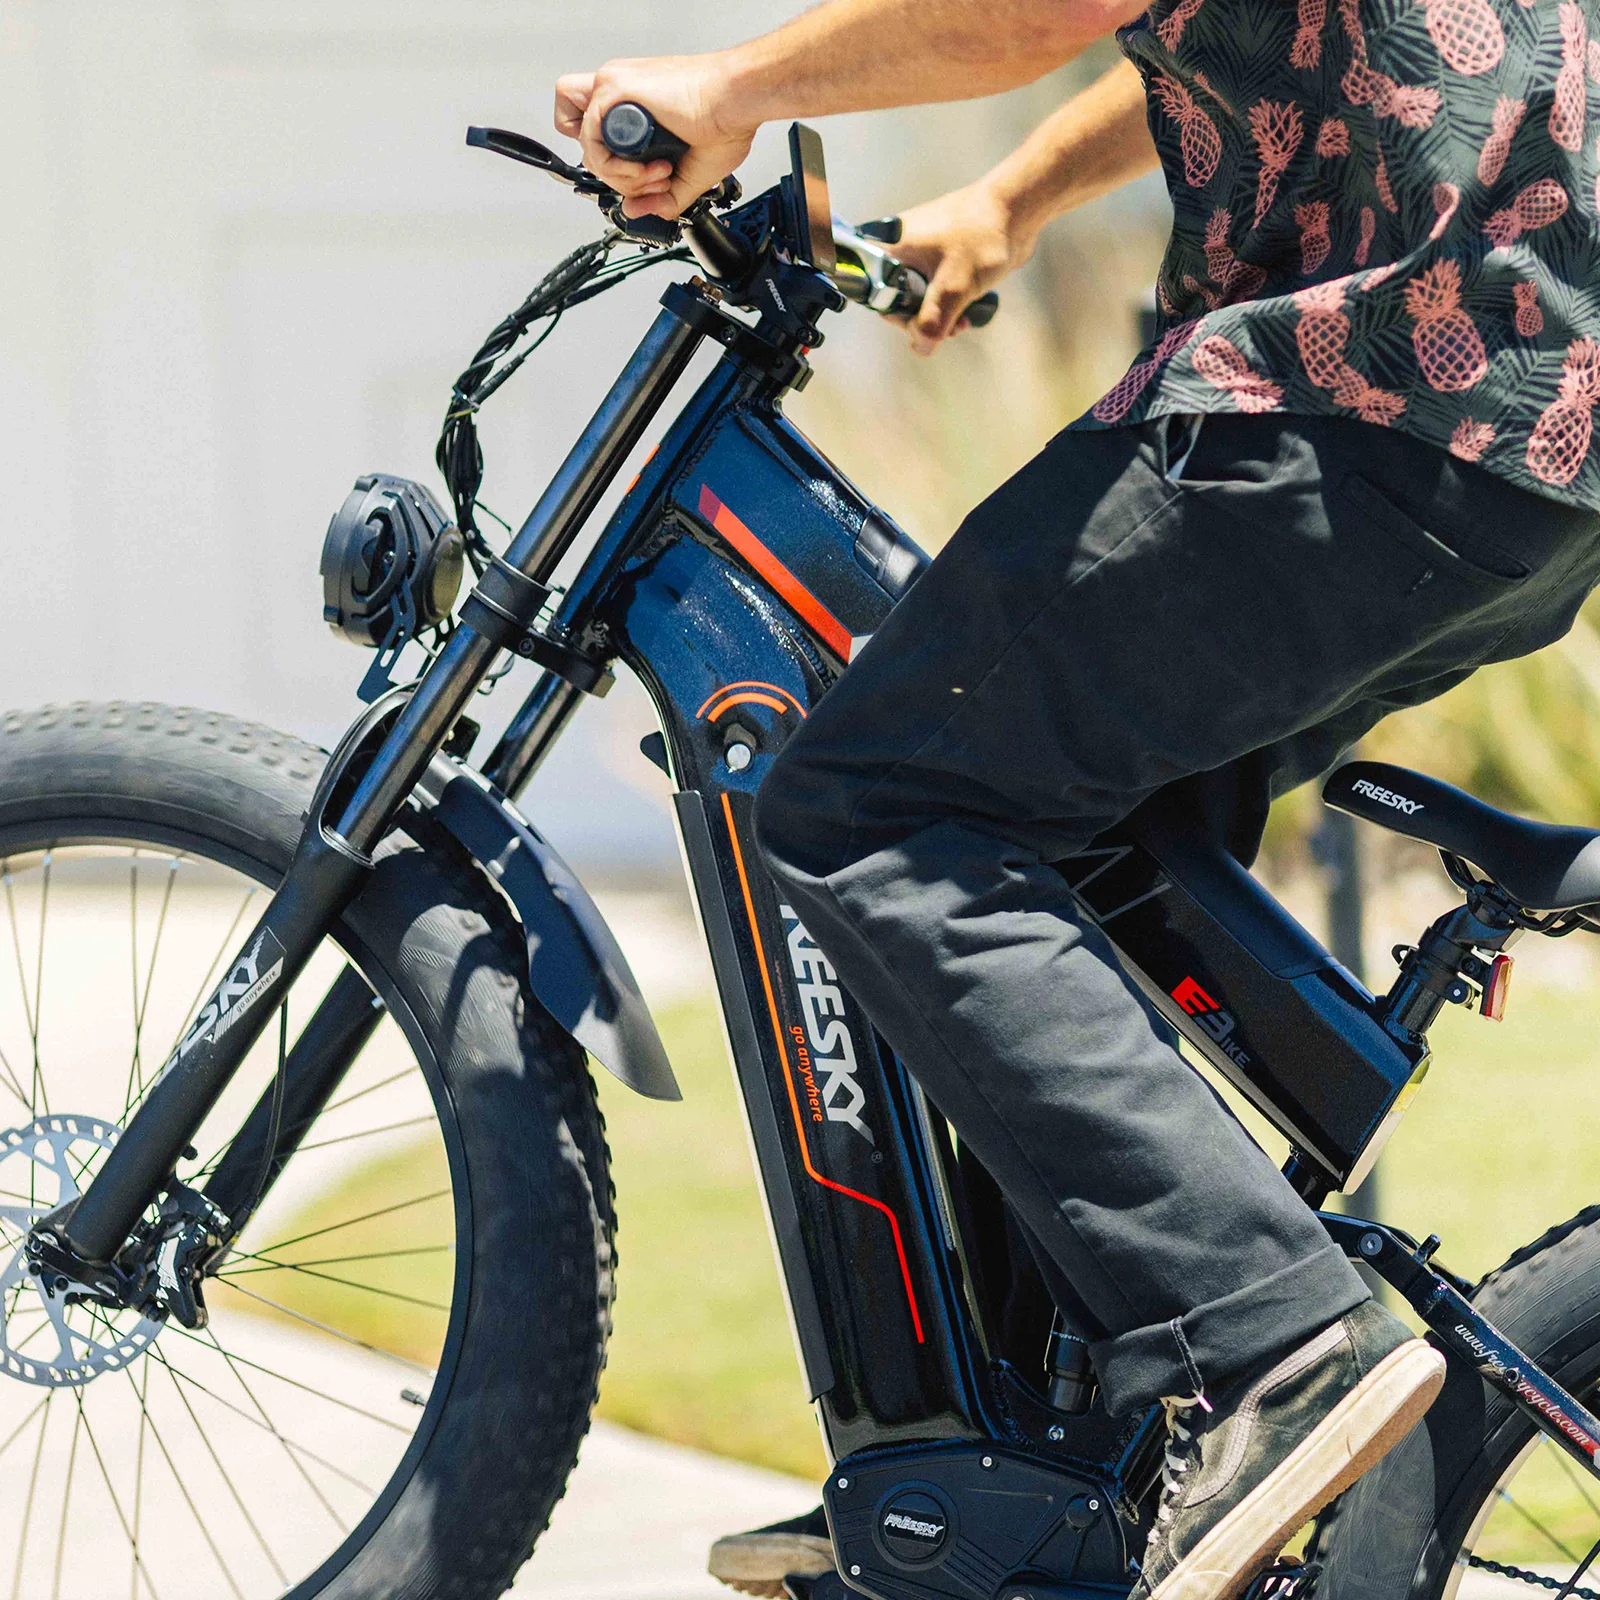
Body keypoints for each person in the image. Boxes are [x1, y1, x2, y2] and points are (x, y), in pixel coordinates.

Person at [557, 0, 1600, 1594]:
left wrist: (729, 86)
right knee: (1088, 838)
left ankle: (1273, 1339)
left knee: (879, 807)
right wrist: (1014, 195)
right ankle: (1044, 1474)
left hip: (1393, 376)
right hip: (1533, 429)